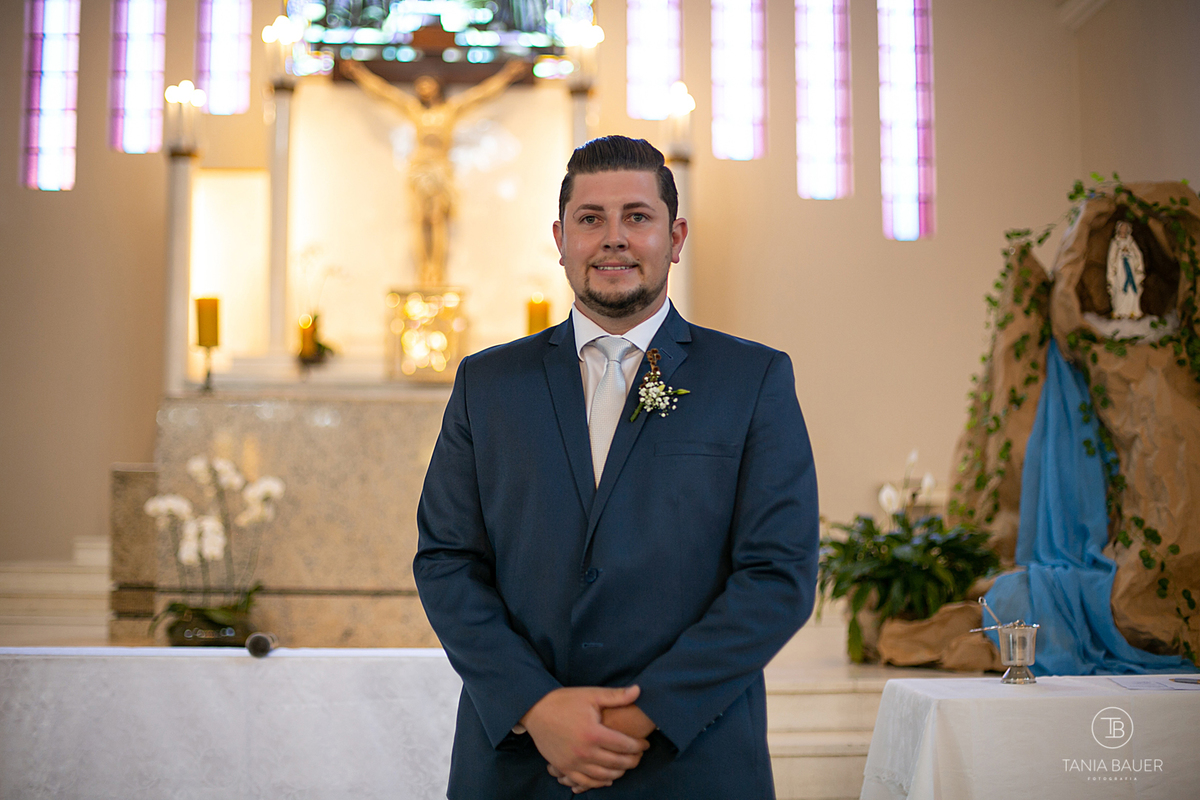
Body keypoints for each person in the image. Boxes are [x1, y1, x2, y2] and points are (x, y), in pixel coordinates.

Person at [415, 135, 819, 798]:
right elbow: (446, 559)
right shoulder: (488, 383)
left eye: (637, 216)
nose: (613, 238)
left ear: (675, 235)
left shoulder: (751, 379)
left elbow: (777, 576)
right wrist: (538, 707)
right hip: (521, 762)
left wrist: (635, 718)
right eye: (590, 219)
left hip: (689, 759)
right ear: (560, 236)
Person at [342, 58, 527, 286]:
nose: (424, 88)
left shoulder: (451, 111)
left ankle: (437, 271)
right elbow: (383, 93)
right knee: (420, 220)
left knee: (438, 220)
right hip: (420, 169)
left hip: (440, 171)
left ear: (438, 86)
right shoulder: (413, 111)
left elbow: (482, 94)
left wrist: (507, 74)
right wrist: (359, 73)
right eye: (420, 84)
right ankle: (422, 272)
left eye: (427, 83)